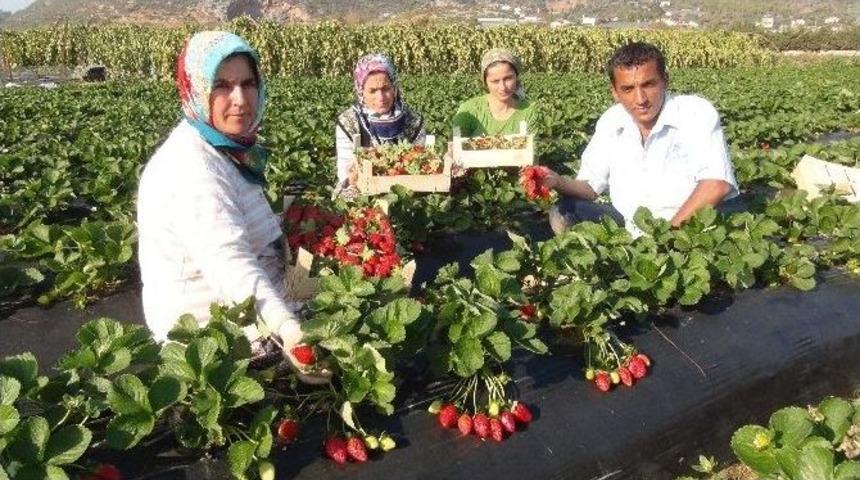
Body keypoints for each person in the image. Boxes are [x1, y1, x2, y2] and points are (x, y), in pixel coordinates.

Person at [137, 31, 323, 380]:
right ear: (196, 89)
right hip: (215, 340)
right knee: (344, 321)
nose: (239, 99)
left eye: (248, 84)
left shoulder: (223, 148)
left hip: (253, 301)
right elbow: (228, 263)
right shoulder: (193, 168)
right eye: (221, 85)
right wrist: (289, 329)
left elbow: (237, 224)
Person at [543, 42, 739, 235]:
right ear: (615, 92)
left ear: (665, 81)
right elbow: (590, 187)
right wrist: (556, 180)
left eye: (648, 84)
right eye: (628, 89)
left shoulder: (694, 113)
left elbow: (716, 185)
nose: (640, 99)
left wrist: (666, 237)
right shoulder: (612, 120)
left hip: (689, 227)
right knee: (565, 211)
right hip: (629, 225)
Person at [334, 53, 426, 195]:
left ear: (394, 88)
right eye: (372, 91)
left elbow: (421, 164)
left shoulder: (413, 120)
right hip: (362, 189)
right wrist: (353, 177)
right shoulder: (348, 122)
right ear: (361, 92)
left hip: (406, 189)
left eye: (386, 89)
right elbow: (345, 174)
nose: (381, 97)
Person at [451, 48, 536, 137]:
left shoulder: (529, 112)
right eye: (495, 81)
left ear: (516, 77)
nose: (503, 87)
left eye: (508, 79)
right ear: (485, 83)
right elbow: (455, 142)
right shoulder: (470, 110)